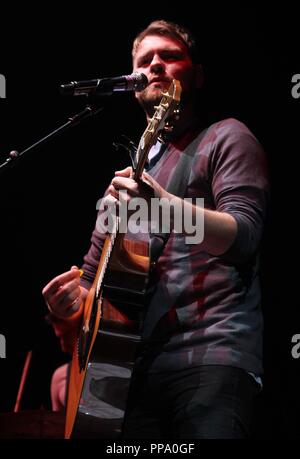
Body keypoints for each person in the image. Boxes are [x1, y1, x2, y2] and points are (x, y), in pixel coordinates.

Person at [42, 19, 269, 438]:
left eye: (170, 56)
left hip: (209, 357)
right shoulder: (126, 182)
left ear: (197, 74)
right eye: (145, 61)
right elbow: (90, 290)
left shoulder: (226, 138)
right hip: (126, 375)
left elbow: (244, 237)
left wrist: (163, 204)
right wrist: (68, 304)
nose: (156, 65)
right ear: (133, 84)